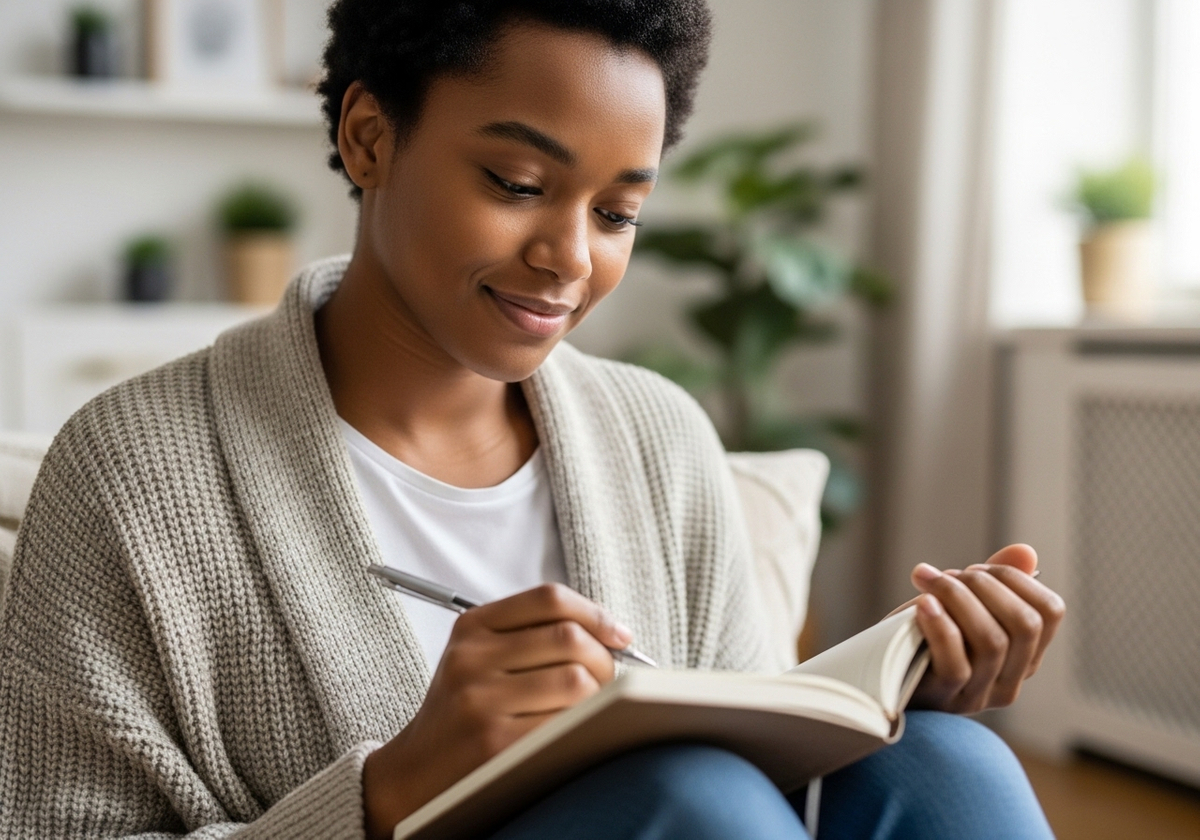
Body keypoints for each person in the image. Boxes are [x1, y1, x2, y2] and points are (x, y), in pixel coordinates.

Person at [0, 1, 1064, 838]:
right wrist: (389, 790)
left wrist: (902, 702)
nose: (570, 257)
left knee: (950, 768)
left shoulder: (660, 437)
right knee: (690, 801)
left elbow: (766, 775)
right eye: (517, 182)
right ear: (370, 137)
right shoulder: (131, 473)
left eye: (617, 213)